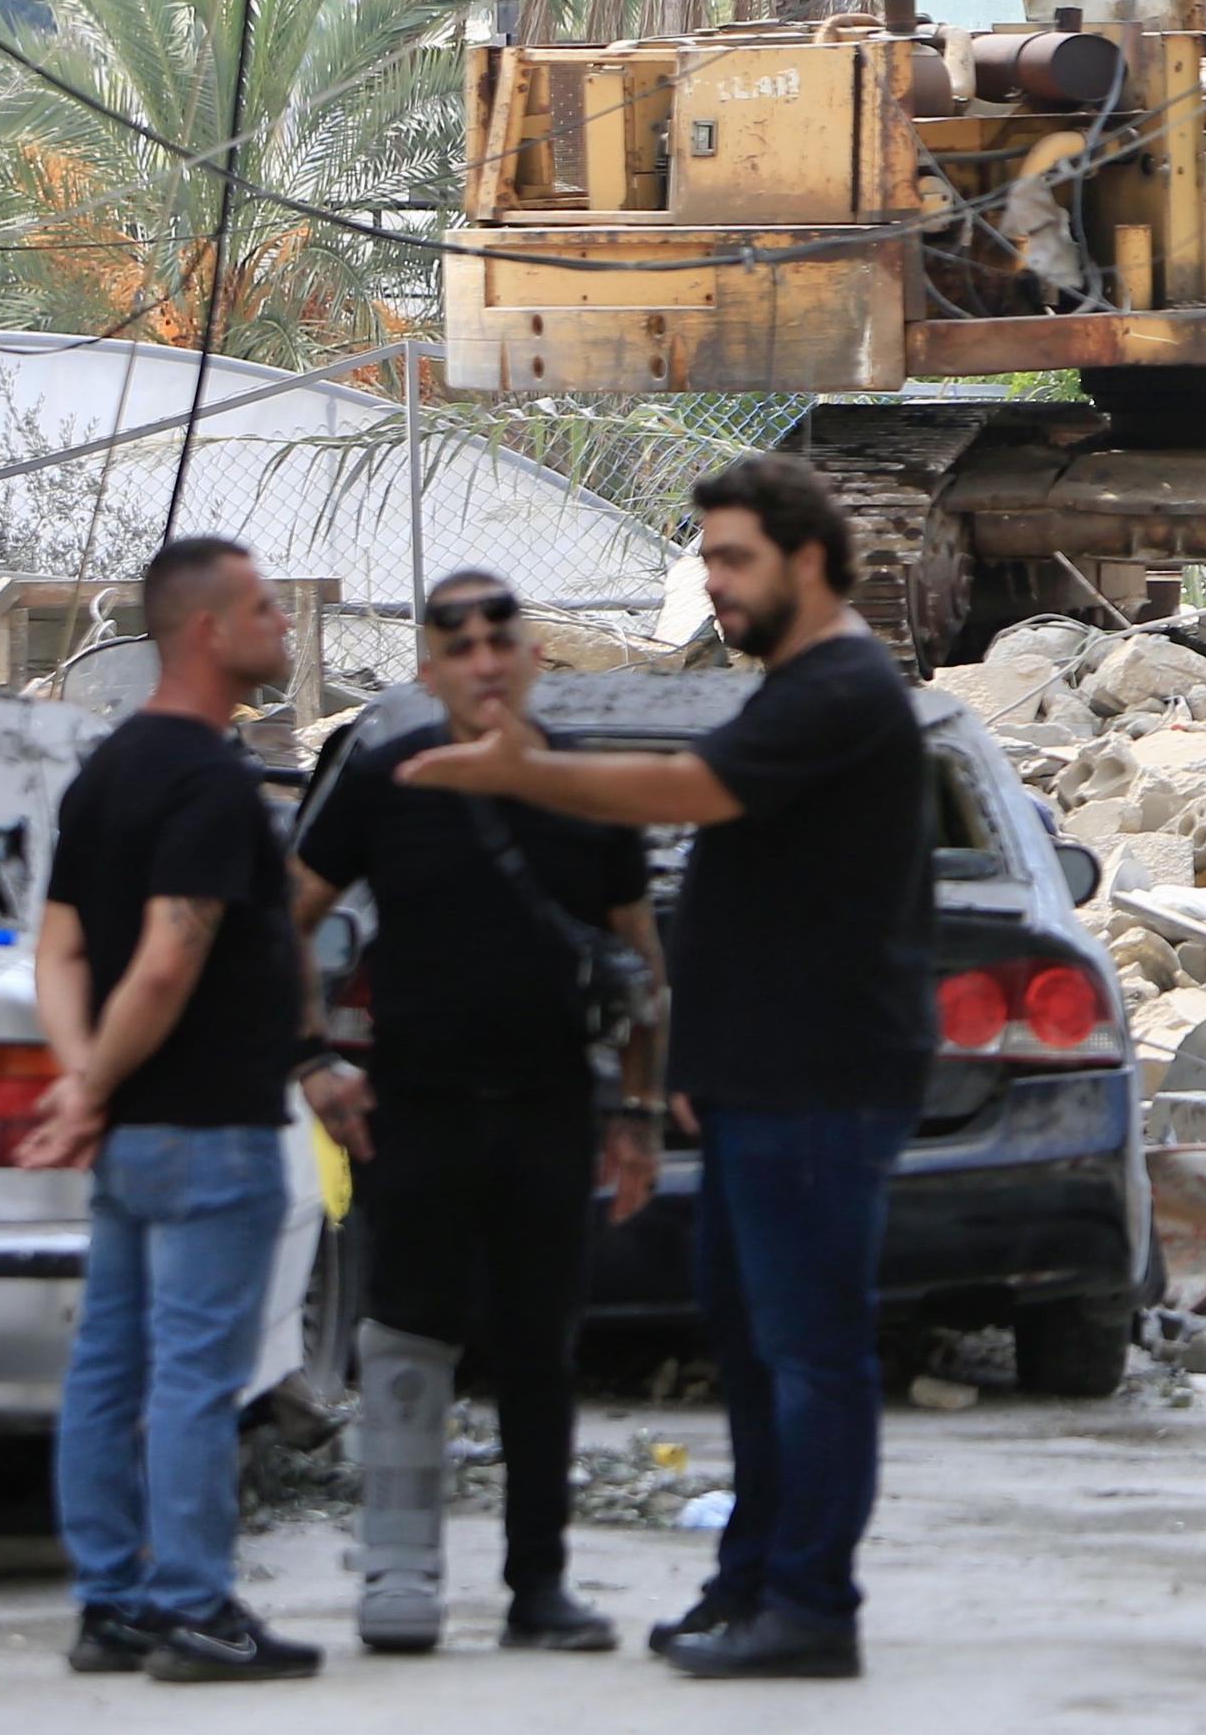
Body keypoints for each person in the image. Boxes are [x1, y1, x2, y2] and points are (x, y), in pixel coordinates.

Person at [402, 455, 932, 1680]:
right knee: (751, 1348)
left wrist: (524, 772)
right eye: (706, 560)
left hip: (817, 1082)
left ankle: (811, 1607)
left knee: (811, 1352)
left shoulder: (841, 689)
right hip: (758, 1081)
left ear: (808, 560)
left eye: (734, 559)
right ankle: (750, 1582)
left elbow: (689, 789)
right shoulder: (794, 687)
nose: (715, 583)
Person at [291, 571, 669, 1654]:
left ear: (534, 657)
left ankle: (537, 1589)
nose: (485, 662)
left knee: (541, 1351)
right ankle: (399, 1575)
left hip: (550, 1113)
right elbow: (287, 917)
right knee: (408, 1340)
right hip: (416, 1113)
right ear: (429, 671)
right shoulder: (385, 777)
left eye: (501, 641)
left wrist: (638, 1115)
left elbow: (643, 965)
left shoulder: (585, 787)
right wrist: (311, 1060)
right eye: (458, 647)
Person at [28, 537, 362, 1681]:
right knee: (194, 1378)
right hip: (210, 1131)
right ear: (210, 630)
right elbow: (169, 959)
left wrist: (86, 1083)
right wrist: (91, 1087)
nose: (284, 623)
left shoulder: (107, 770)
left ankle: (110, 1605)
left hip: (130, 1138)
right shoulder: (211, 782)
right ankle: (192, 1609)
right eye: (266, 607)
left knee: (107, 1370)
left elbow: (61, 952)